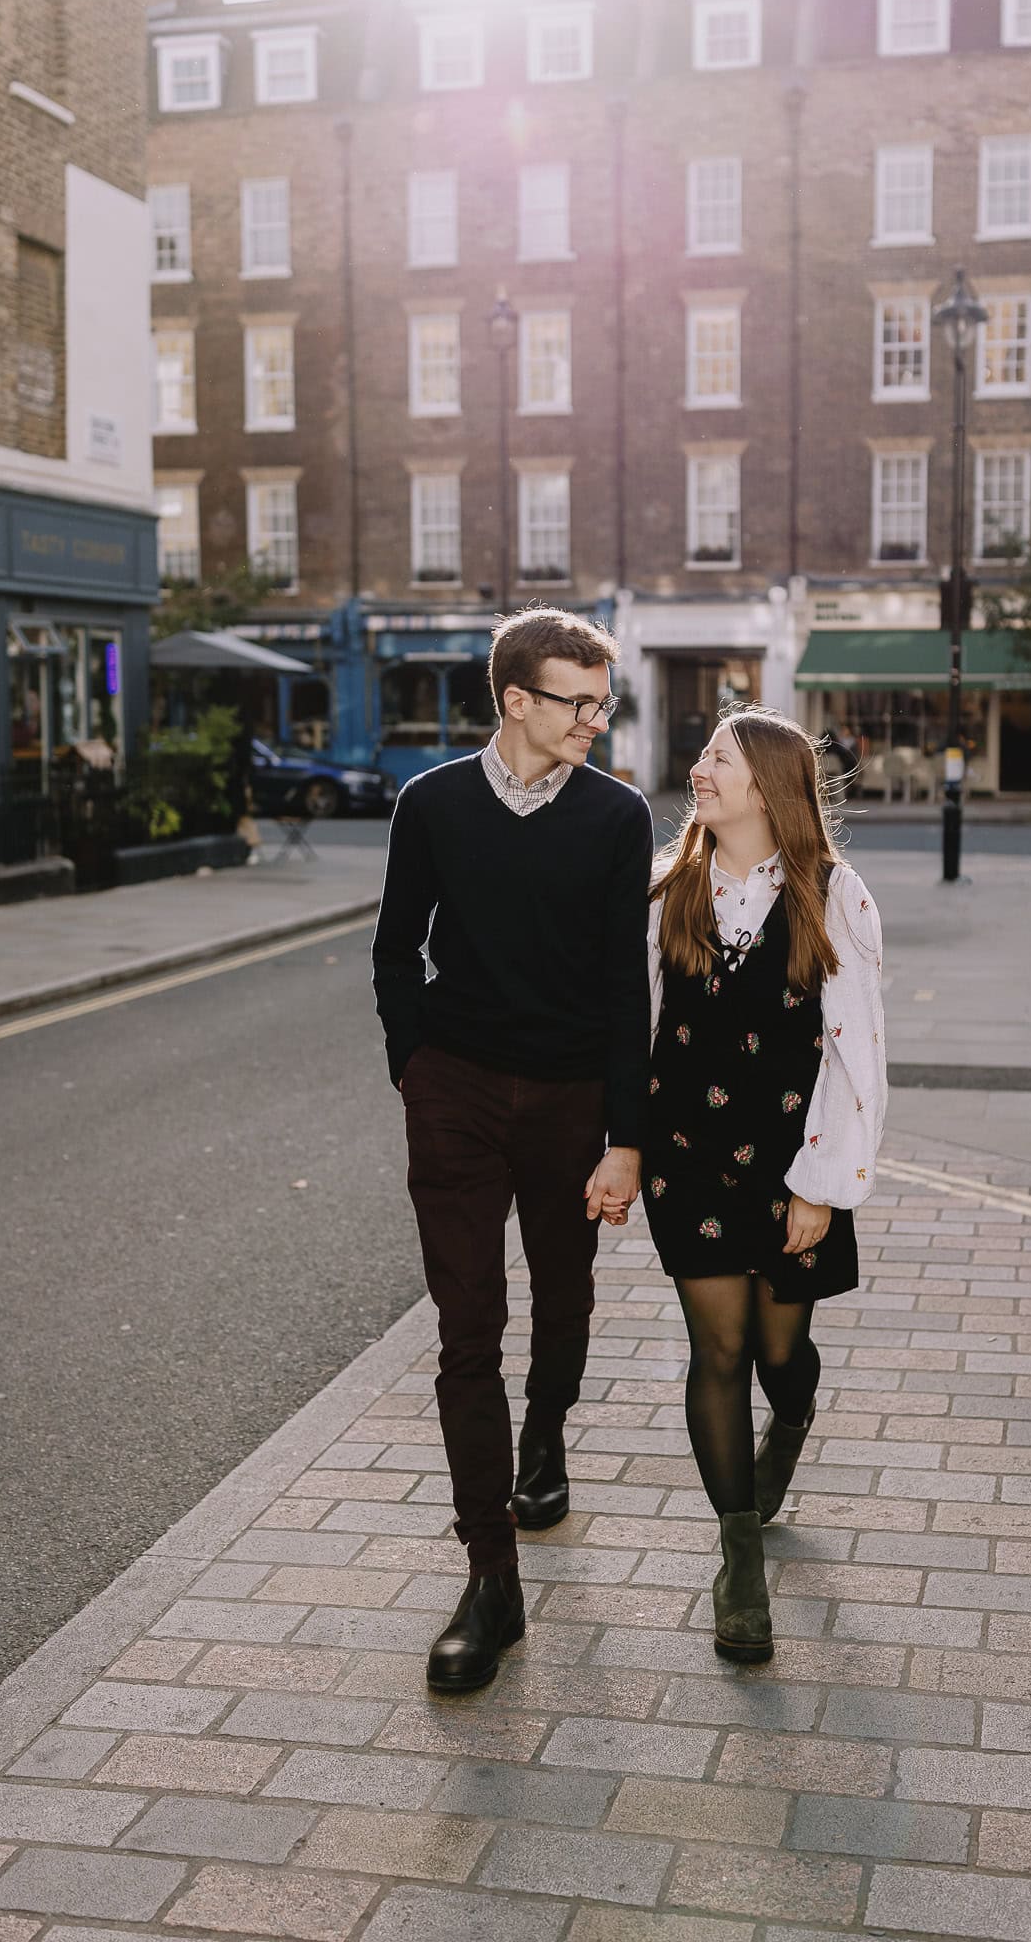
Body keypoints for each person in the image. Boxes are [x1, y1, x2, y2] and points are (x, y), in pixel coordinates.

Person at [372, 606, 653, 1693]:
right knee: (467, 1326)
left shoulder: (616, 815)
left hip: (571, 1092)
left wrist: (627, 1135)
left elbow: (628, 983)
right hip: (457, 1089)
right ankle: (491, 1578)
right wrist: (417, 1064)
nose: (596, 718)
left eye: (603, 699)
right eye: (577, 700)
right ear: (517, 700)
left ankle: (548, 1434)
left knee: (565, 1288)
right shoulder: (432, 803)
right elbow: (400, 947)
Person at [643, 706, 886, 1662]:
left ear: (768, 785)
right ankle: (738, 1562)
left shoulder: (834, 893)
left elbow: (856, 1053)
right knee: (720, 1346)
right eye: (702, 753)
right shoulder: (668, 885)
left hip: (790, 1164)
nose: (698, 769)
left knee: (781, 1354)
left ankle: (788, 1424)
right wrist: (622, 1145)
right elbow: (639, 1025)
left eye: (719, 758)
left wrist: (820, 1184)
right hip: (685, 1155)